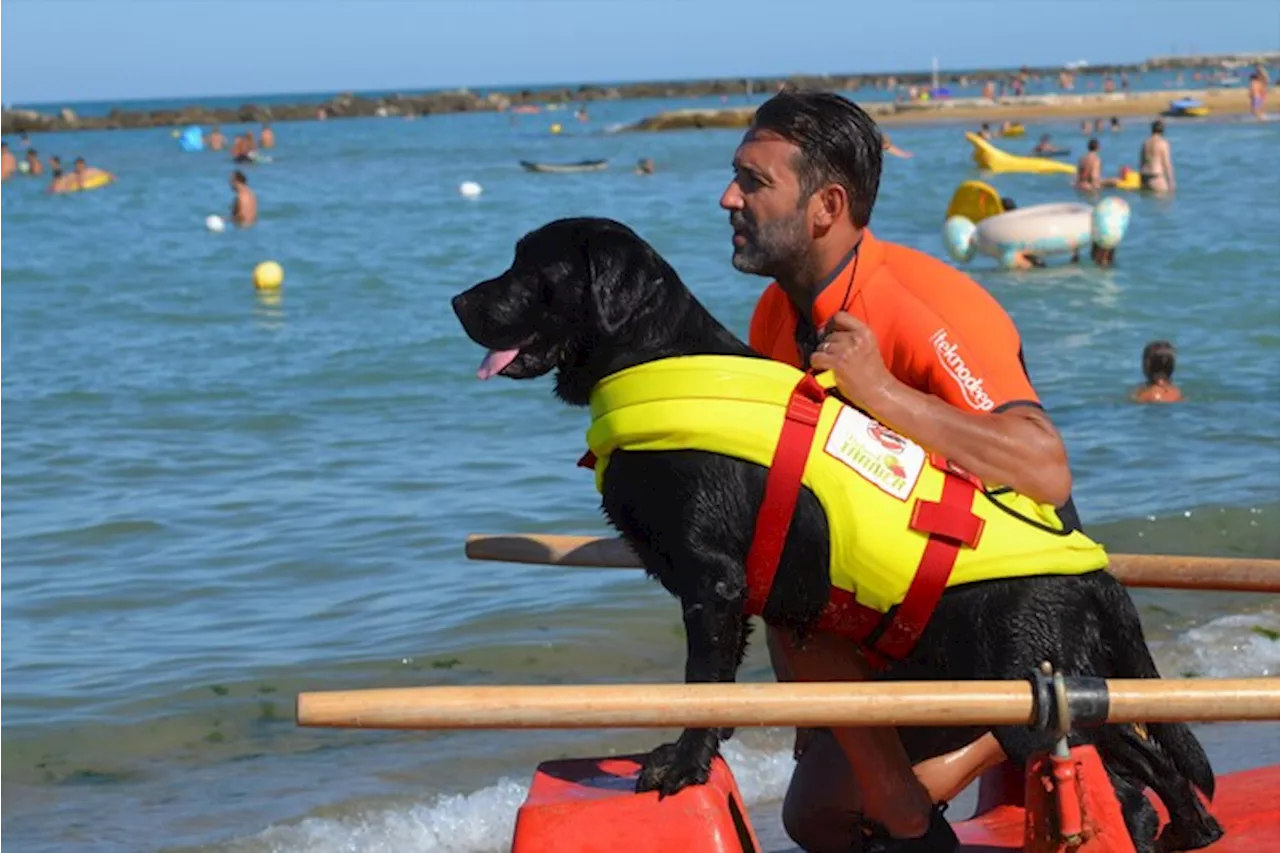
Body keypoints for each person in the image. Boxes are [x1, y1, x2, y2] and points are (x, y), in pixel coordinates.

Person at [721, 89, 1081, 852]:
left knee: (820, 811)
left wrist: (882, 391)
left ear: (826, 205)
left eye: (754, 182)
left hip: (1012, 613)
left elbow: (1047, 468)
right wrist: (816, 712)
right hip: (900, 609)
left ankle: (1027, 722)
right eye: (735, 177)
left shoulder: (925, 300)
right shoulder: (773, 318)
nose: (729, 198)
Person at [1139, 120, 1175, 194]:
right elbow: (1167, 164)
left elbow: (1141, 162)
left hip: (1144, 177)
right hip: (1156, 177)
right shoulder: (1163, 143)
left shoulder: (1145, 142)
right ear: (1162, 130)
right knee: (1164, 201)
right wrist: (1171, 183)